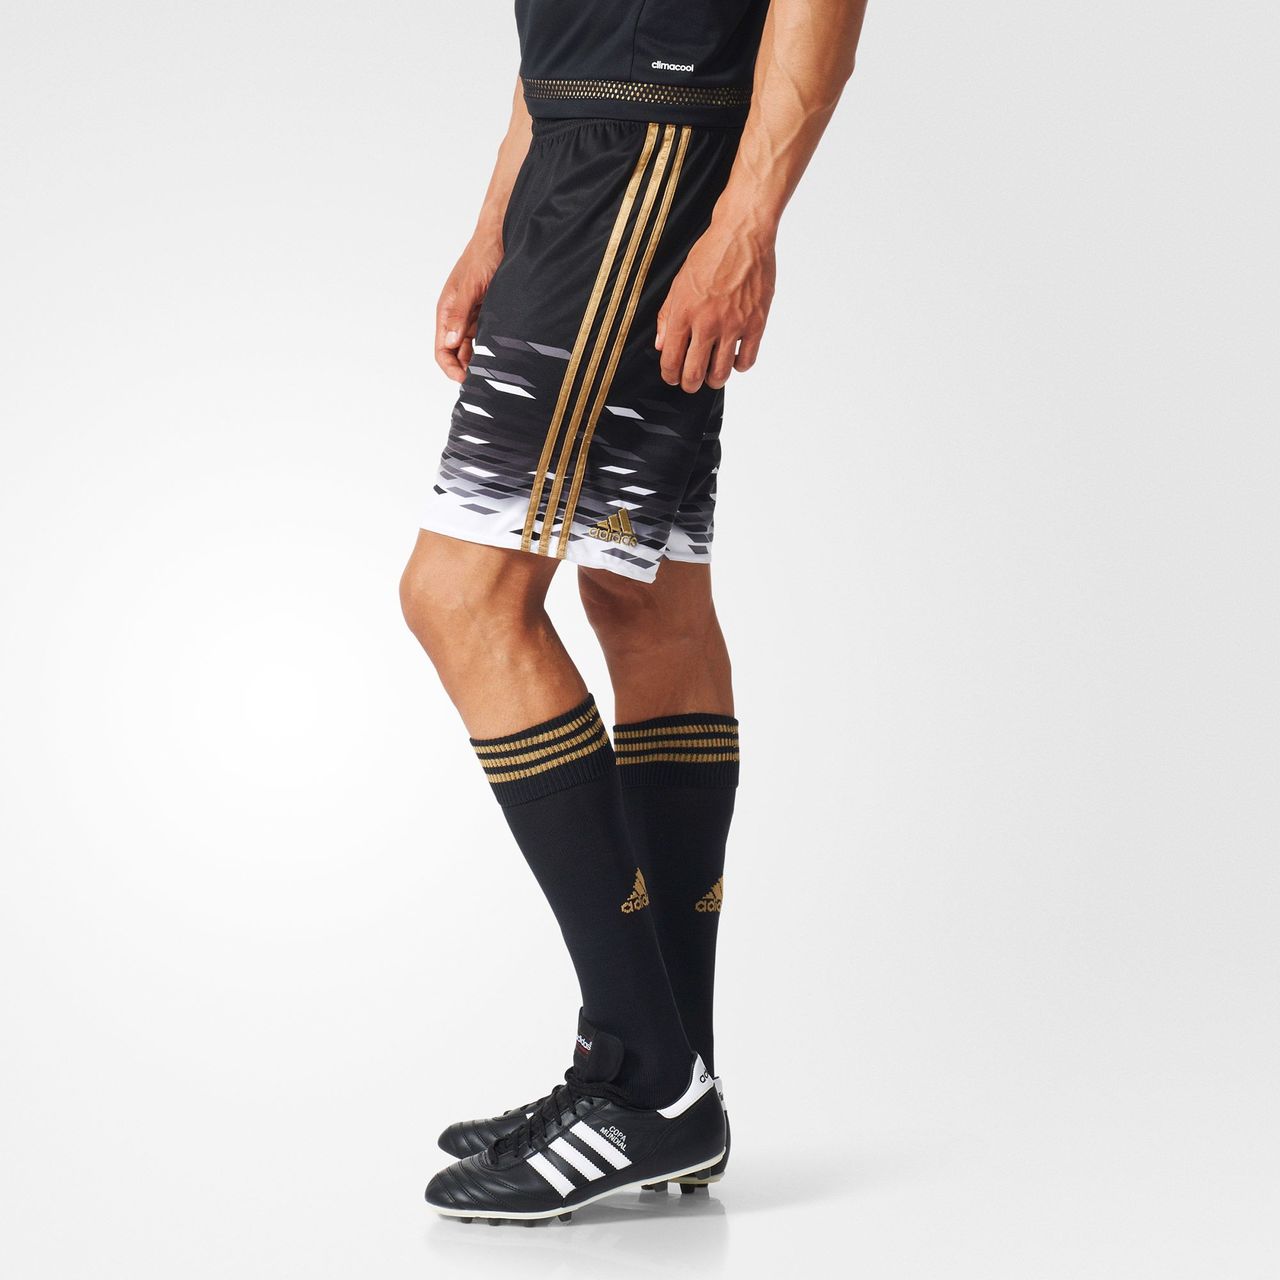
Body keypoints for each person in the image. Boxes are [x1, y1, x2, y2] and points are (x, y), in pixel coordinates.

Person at [401, 0, 868, 1224]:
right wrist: (495, 222)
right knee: (639, 590)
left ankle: (643, 1073)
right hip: (585, 149)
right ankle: (667, 1079)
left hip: (644, 153)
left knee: (459, 596)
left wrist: (747, 220)